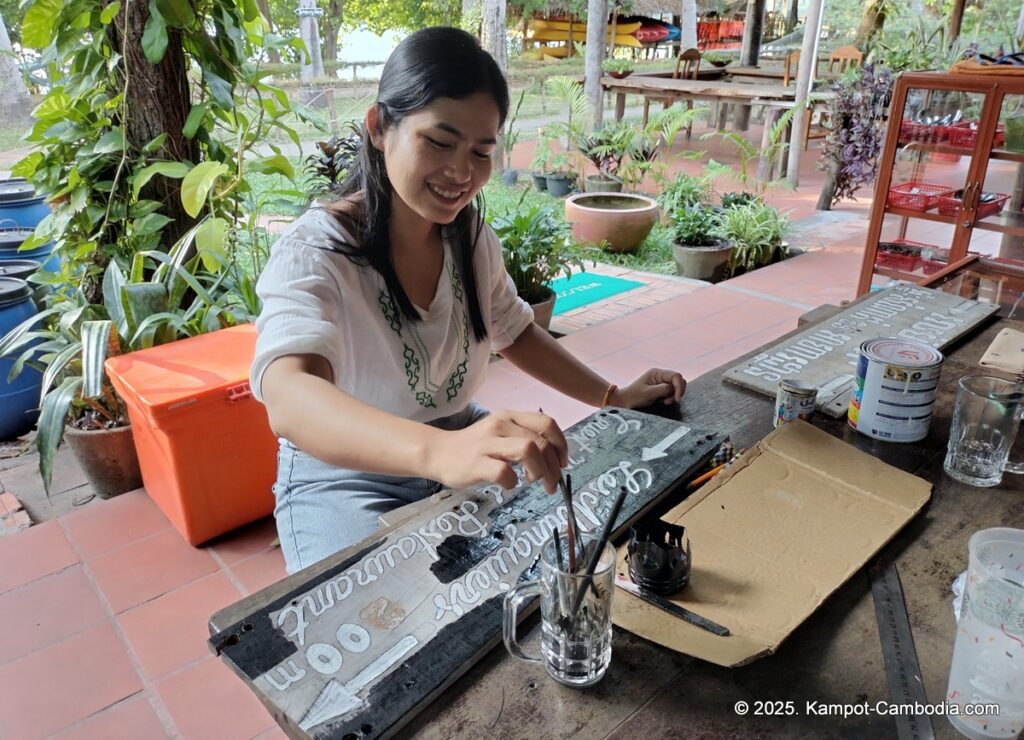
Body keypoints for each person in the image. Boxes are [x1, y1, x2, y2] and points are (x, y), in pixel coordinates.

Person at [252, 26, 687, 574]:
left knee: (565, 559)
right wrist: (438, 453)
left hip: (460, 439)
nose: (461, 173)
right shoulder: (316, 250)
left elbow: (517, 332)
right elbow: (290, 396)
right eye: (438, 142)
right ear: (380, 127)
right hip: (345, 477)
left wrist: (612, 396)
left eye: (482, 151)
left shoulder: (469, 239)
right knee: (369, 625)